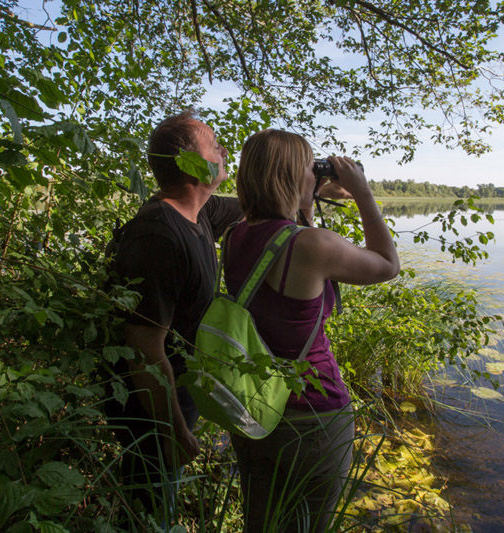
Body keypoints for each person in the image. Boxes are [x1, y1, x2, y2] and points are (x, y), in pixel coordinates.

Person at [224, 129, 400, 532]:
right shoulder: (312, 245)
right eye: (310, 167)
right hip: (313, 416)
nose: (316, 175)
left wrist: (307, 197)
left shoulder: (235, 235)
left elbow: (287, 236)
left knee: (261, 524)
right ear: (290, 177)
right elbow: (388, 265)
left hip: (255, 407)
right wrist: (363, 193)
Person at [105, 109, 243, 522]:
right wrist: (174, 430)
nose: (223, 150)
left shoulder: (199, 213)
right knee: (149, 505)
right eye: (214, 144)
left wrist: (308, 183)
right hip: (153, 408)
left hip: (177, 393)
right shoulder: (158, 237)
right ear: (188, 163)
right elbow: (144, 349)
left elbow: (259, 203)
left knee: (160, 495)